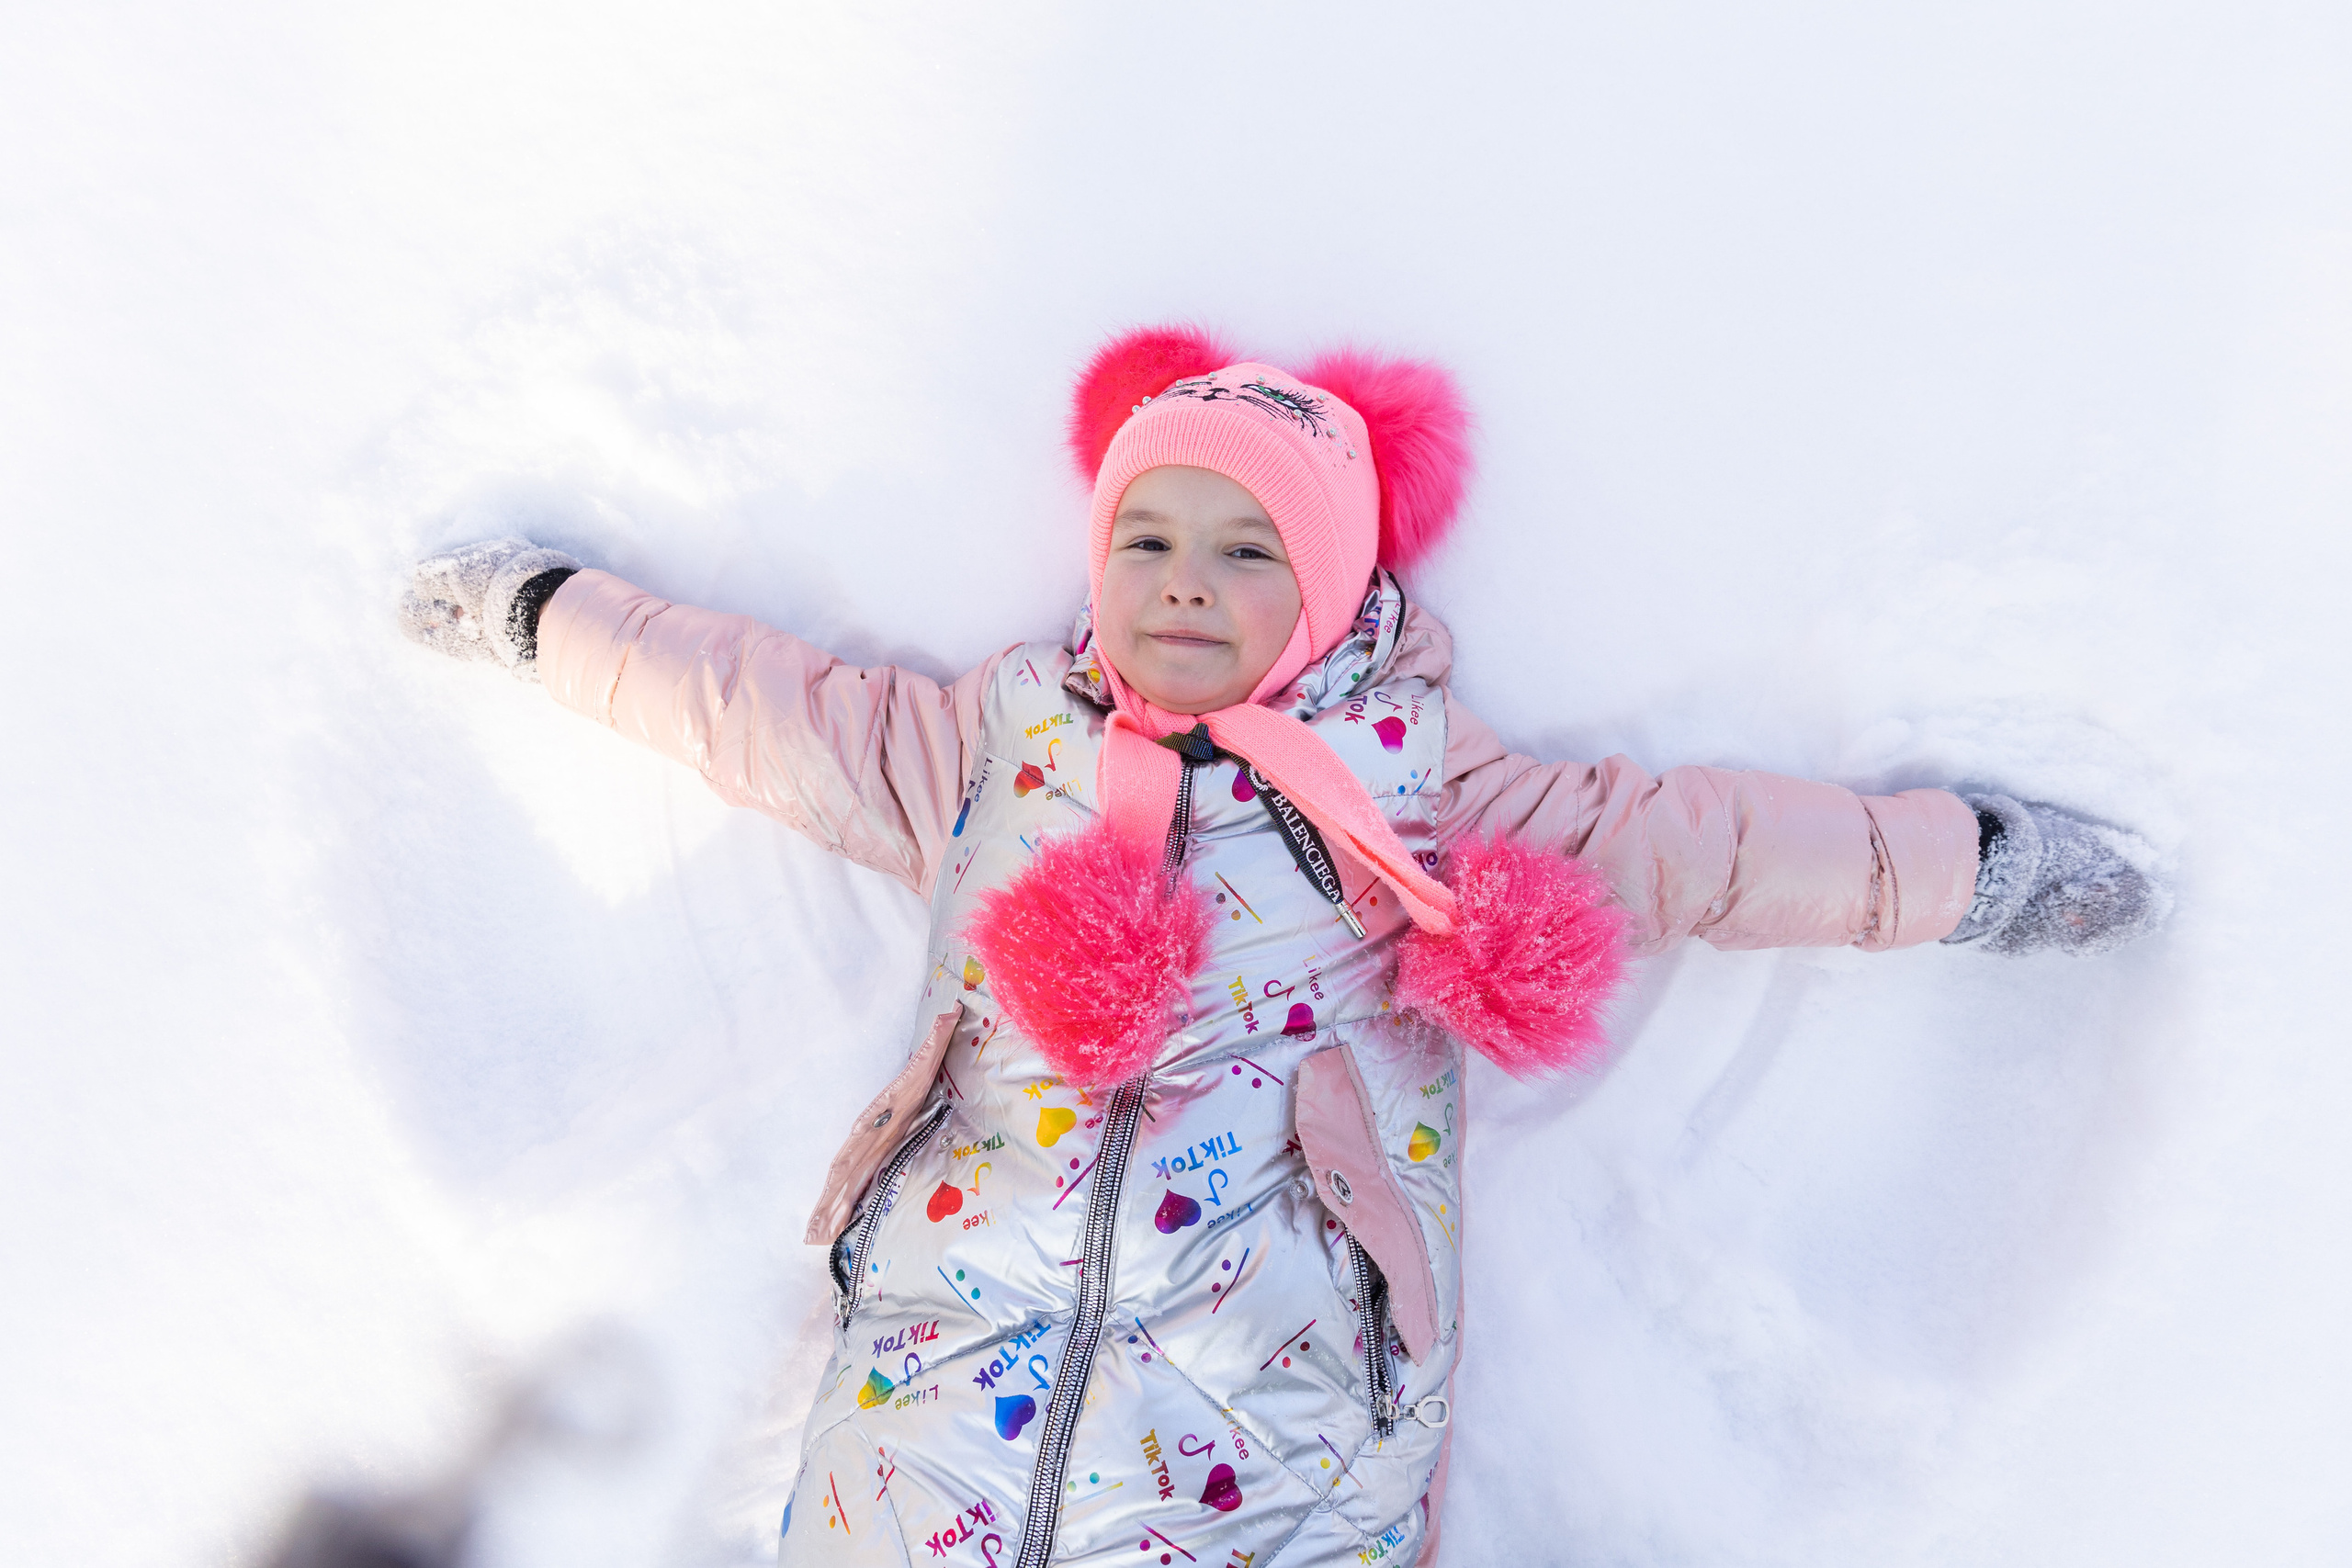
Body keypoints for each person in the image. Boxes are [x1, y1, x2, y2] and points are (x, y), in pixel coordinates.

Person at [399, 326, 2165, 1567]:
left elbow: (1703, 851)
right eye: (1150, 537)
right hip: (925, 1399)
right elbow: (749, 709)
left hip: (1269, 1435)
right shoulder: (990, 744)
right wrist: (546, 619)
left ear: (1325, 594)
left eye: (1248, 552)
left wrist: (1969, 867)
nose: (1183, 579)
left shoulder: (1418, 794)